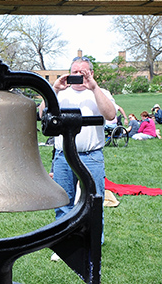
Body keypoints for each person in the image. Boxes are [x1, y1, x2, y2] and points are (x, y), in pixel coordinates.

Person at [51, 56, 116, 219]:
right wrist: (55, 89)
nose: (78, 75)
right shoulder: (60, 94)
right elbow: (42, 114)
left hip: (91, 156)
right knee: (62, 203)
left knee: (94, 202)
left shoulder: (101, 93)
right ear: (69, 73)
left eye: (83, 72)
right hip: (63, 155)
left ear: (92, 73)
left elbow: (110, 115)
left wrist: (93, 87)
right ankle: (65, 242)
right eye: (75, 72)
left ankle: (93, 243)